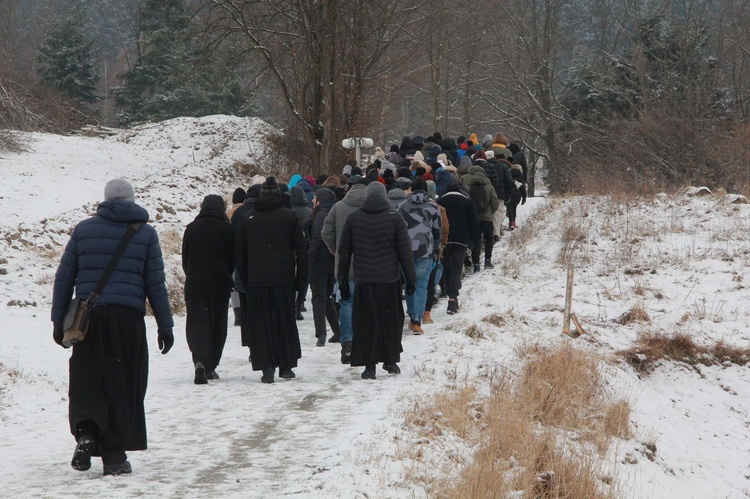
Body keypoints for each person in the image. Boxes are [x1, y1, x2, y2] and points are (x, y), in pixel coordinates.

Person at [51, 178, 174, 476]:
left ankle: (88, 431)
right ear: (132, 200)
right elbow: (155, 284)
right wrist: (165, 325)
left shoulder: (84, 230)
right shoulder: (144, 233)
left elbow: (64, 278)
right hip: (127, 318)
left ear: (105, 201)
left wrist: (58, 320)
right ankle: (115, 456)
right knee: (124, 382)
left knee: (88, 377)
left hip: (89, 318)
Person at [337, 182, 416, 380]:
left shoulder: (353, 218)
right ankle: (390, 360)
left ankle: (369, 365)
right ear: (384, 196)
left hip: (364, 279)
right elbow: (405, 252)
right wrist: (411, 279)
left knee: (366, 322)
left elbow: (344, 252)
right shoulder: (395, 218)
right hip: (389, 279)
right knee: (390, 320)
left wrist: (342, 278)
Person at [236, 177, 307, 383]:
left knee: (261, 324)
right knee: (284, 322)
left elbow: (240, 255)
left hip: (257, 279)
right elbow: (301, 252)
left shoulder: (247, 219)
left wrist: (247, 278)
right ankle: (286, 365)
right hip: (283, 279)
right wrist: (300, 282)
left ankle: (266, 366)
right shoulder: (289, 217)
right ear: (278, 196)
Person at [182, 194, 235, 384]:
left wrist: (194, 274)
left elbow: (185, 261)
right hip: (219, 285)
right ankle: (211, 365)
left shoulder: (191, 229)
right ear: (222, 207)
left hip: (195, 284)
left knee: (197, 324)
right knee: (217, 324)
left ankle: (199, 361)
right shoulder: (227, 229)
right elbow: (232, 259)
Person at [321, 182, 367, 364]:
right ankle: (365, 341)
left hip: (345, 266)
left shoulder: (338, 208)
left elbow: (326, 233)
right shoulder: (373, 208)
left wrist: (337, 250)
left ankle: (347, 342)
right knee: (367, 304)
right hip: (370, 265)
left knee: (347, 302)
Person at [397, 177, 442, 334]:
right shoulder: (433, 207)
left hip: (405, 252)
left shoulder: (401, 207)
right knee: (422, 285)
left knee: (410, 284)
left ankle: (412, 316)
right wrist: (437, 248)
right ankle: (417, 319)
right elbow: (437, 231)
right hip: (426, 250)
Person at [437, 183, 479, 314]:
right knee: (456, 268)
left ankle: (449, 291)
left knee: (447, 268)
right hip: (461, 240)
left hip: (445, 240)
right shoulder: (467, 202)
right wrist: (471, 243)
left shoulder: (440, 201)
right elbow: (474, 224)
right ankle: (452, 299)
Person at [308, 188, 341, 346]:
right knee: (327, 297)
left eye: (315, 198)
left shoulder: (320, 215)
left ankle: (320, 333)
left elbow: (317, 237)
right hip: (332, 259)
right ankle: (337, 331)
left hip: (320, 260)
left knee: (319, 297)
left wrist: (310, 257)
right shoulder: (334, 213)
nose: (313, 201)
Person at [460, 164, 500, 271]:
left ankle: (476, 264)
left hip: (474, 219)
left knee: (476, 240)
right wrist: (491, 212)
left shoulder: (468, 187)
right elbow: (495, 202)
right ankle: (487, 261)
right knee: (489, 239)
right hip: (487, 218)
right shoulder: (489, 187)